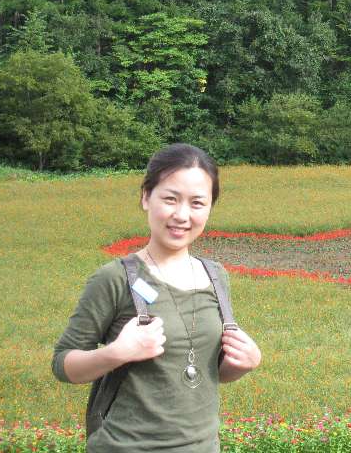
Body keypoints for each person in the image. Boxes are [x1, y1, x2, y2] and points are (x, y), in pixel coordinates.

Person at [52, 143, 261, 452]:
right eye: (170, 199)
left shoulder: (215, 276)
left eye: (197, 203)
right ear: (146, 197)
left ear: (209, 208)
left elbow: (204, 372)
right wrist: (116, 353)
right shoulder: (114, 278)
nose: (182, 215)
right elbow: (62, 363)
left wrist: (243, 364)